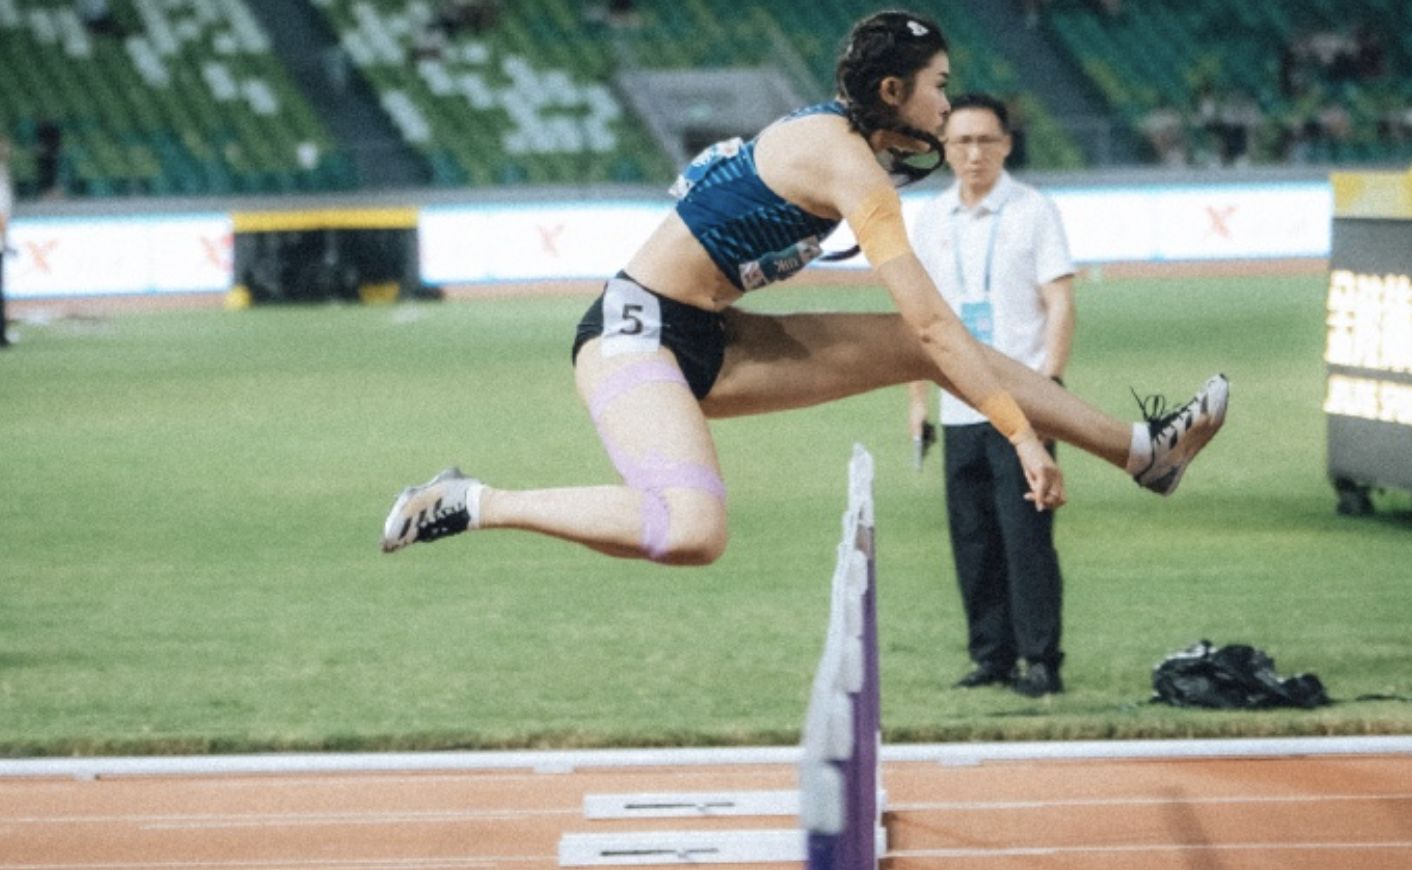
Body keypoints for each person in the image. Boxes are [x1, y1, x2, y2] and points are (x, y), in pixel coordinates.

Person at [380, 10, 1229, 569]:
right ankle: (472, 500)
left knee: (913, 350)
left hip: (710, 335)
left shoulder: (836, 143)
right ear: (893, 91)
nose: (947, 100)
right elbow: (932, 324)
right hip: (632, 337)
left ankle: (1140, 452)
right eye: (938, 83)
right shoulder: (847, 165)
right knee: (691, 532)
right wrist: (1018, 435)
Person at [905, 93, 1072, 696]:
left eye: (985, 141)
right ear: (944, 149)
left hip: (1024, 401)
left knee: (1026, 534)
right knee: (972, 538)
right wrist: (918, 404)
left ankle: (1040, 660)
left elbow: (1059, 301)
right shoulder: (930, 219)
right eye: (961, 142)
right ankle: (991, 656)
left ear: (1005, 144)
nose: (973, 153)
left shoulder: (1032, 210)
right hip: (959, 403)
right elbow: (918, 320)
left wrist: (1050, 389)